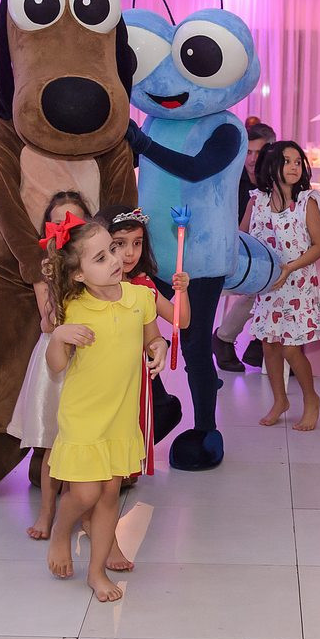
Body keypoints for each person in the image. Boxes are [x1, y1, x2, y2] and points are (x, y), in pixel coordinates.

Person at [40, 216, 168, 603]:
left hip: (120, 418)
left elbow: (153, 337)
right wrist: (59, 336)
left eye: (112, 249)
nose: (115, 259)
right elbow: (56, 366)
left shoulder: (140, 298)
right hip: (83, 417)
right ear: (78, 274)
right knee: (84, 494)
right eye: (101, 257)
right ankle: (61, 530)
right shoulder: (72, 307)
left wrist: (158, 347)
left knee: (110, 495)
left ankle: (96, 572)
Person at [11, 190, 92, 543]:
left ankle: (84, 513)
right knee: (53, 445)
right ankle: (46, 513)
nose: (65, 229)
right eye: (58, 223)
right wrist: (56, 279)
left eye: (72, 222)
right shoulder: (44, 269)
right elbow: (48, 323)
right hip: (54, 358)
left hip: (89, 357)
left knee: (83, 442)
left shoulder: (97, 264)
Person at [98, 204, 192, 476]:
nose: (130, 252)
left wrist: (182, 290)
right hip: (100, 372)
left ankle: (123, 469)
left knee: (137, 421)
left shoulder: (143, 285)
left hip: (135, 372)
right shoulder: (95, 285)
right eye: (120, 244)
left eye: (137, 243)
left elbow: (181, 320)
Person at [243, 140, 320, 431]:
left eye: (298, 162)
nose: (294, 167)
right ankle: (280, 400)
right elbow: (243, 238)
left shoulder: (307, 202)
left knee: (291, 349)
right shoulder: (257, 201)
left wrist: (290, 267)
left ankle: (311, 398)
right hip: (269, 287)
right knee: (269, 345)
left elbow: (319, 246)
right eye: (287, 161)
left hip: (298, 285)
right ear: (272, 165)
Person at [213, 122, 276, 372]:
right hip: (233, 254)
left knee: (284, 277)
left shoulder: (276, 183)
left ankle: (257, 343)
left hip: (263, 254)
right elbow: (239, 234)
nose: (252, 159)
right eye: (248, 152)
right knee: (269, 282)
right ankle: (250, 342)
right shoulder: (231, 181)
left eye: (259, 153)